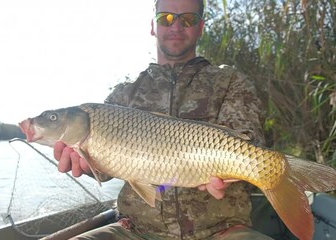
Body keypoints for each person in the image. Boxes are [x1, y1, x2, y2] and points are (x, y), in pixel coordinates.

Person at [54, 0, 272, 239]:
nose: (176, 26)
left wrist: (223, 171)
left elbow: (249, 144)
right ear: (153, 26)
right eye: (165, 18)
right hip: (135, 230)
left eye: (188, 19)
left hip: (221, 229)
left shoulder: (230, 82)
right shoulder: (123, 95)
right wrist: (83, 163)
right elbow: (104, 172)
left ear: (201, 27)